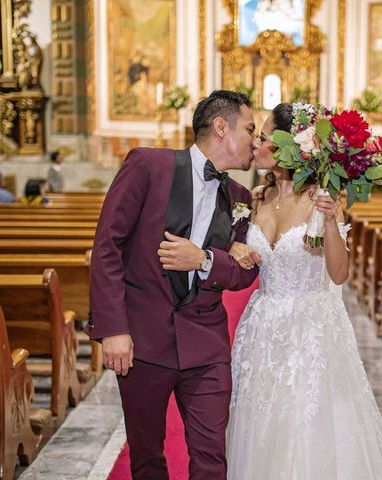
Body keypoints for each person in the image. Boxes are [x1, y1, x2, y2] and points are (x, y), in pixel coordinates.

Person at [225, 103, 382, 479]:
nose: (257, 144)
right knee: (261, 419)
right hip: (263, 325)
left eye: (265, 136)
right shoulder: (255, 198)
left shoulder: (320, 200)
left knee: (304, 422)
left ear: (292, 148)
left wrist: (334, 219)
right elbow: (236, 246)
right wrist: (233, 248)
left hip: (310, 329)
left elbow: (339, 275)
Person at [87, 90, 260, 479]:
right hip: (143, 340)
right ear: (221, 127)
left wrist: (206, 260)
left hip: (206, 343)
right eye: (250, 129)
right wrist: (114, 328)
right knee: (147, 457)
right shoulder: (148, 165)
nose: (256, 139)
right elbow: (107, 246)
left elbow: (245, 272)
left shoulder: (241, 198)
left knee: (211, 457)